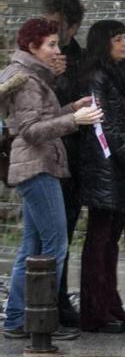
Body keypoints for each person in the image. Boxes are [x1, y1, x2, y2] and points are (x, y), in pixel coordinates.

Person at [0, 18, 101, 339]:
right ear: (33, 47)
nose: (58, 50)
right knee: (54, 245)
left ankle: (17, 319)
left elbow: (41, 119)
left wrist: (72, 106)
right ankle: (40, 322)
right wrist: (75, 119)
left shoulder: (32, 77)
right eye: (51, 44)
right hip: (37, 168)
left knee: (31, 247)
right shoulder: (28, 81)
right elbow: (30, 131)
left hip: (37, 167)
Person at [76, 20, 125, 333]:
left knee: (110, 243)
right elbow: (105, 128)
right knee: (99, 242)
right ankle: (94, 312)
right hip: (105, 171)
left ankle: (111, 305)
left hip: (124, 171)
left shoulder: (124, 77)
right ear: (103, 43)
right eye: (118, 39)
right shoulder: (96, 78)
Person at [43, 0, 88, 328]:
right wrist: (51, 77)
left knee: (63, 234)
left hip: (72, 161)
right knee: (44, 238)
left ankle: (58, 299)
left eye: (56, 25)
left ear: (72, 29)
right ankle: (39, 304)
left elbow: (84, 104)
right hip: (42, 159)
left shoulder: (82, 62)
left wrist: (63, 80)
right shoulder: (36, 59)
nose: (50, 29)